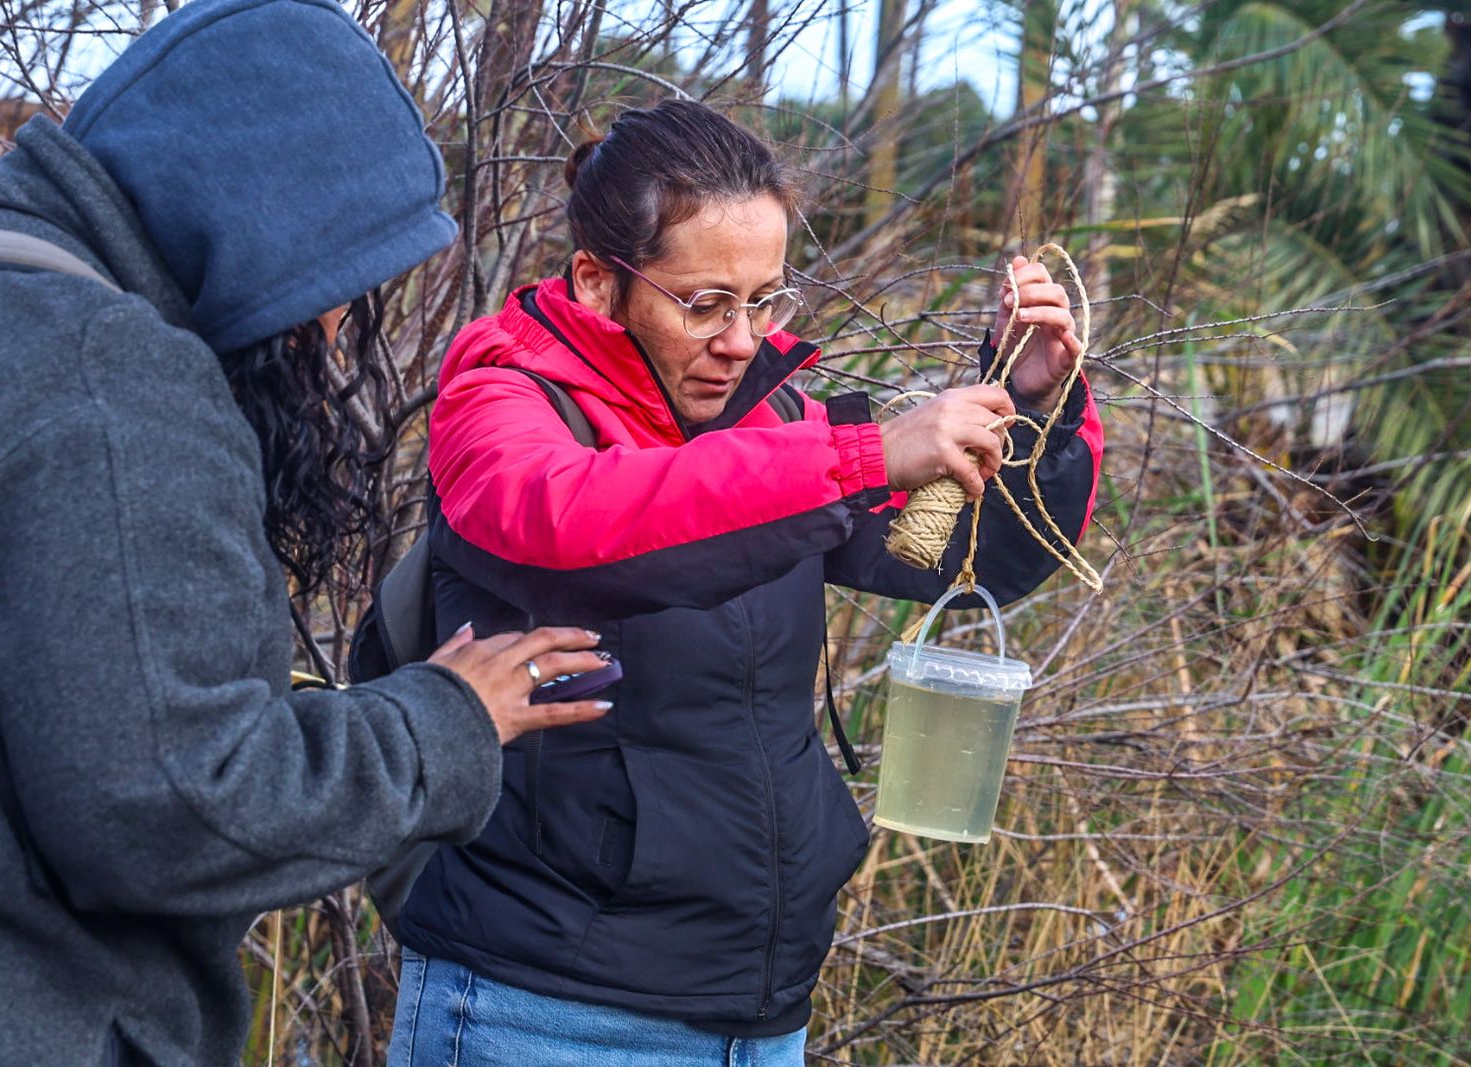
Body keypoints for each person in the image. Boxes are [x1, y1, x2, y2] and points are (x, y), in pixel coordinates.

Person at [386, 99, 1103, 1065]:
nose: (741, 338)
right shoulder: (504, 399)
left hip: (759, 1012)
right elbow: (569, 517)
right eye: (705, 303)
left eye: (765, 299)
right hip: (541, 1011)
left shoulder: (775, 420)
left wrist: (1031, 408)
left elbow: (970, 553)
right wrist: (858, 456)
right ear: (598, 282)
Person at [0, 2, 611, 1064]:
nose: (332, 328)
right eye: (337, 288)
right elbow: (177, 804)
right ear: (269, 225)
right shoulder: (111, 386)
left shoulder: (10, 305)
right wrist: (449, 719)